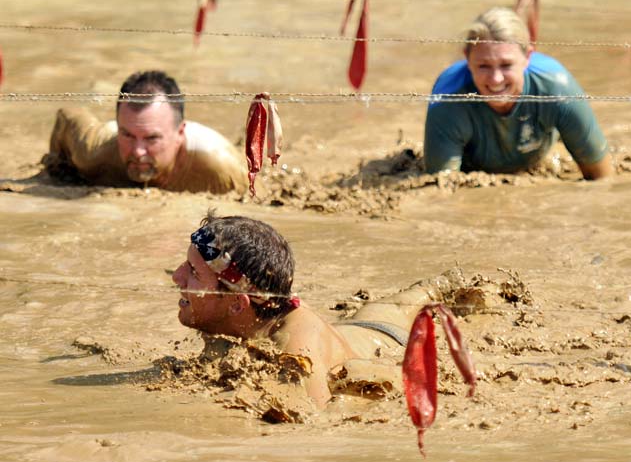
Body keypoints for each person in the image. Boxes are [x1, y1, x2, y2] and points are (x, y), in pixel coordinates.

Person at [172, 212, 424, 408]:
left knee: (427, 297)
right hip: (352, 329)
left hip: (387, 338)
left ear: (238, 303)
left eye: (194, 272)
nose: (176, 276)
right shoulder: (255, 312)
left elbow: (321, 425)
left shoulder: (296, 355)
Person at [424, 7, 613, 180]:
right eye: (483, 66)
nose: (496, 79)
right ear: (467, 58)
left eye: (506, 65)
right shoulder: (448, 100)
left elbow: (602, 178)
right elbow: (441, 193)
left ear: (527, 57)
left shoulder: (556, 88)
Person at [43, 70, 247, 194]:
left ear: (180, 133)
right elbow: (66, 117)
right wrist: (57, 171)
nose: (138, 152)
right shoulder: (95, 152)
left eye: (152, 139)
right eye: (128, 135)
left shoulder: (221, 169)